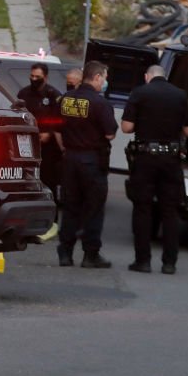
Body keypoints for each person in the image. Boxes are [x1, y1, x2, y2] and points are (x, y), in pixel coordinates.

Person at [121, 64, 188, 275]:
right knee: (170, 211)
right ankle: (169, 263)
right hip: (171, 160)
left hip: (145, 158)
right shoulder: (181, 95)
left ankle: (142, 261)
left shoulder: (139, 93)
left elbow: (127, 127)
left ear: (147, 77)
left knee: (142, 209)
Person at [57, 61, 117, 268]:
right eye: (105, 78)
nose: (105, 82)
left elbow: (57, 126)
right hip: (92, 160)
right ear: (98, 77)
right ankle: (90, 255)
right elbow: (110, 133)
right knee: (93, 208)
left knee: (70, 206)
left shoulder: (66, 99)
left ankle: (65, 252)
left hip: (70, 158)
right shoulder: (100, 104)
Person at [17, 63, 63, 233]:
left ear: (45, 77)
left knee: (49, 184)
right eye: (32, 76)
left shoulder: (53, 96)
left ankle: (52, 223)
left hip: (49, 149)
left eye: (37, 77)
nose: (34, 79)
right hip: (28, 146)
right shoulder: (24, 94)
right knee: (27, 184)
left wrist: (49, 133)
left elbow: (59, 120)